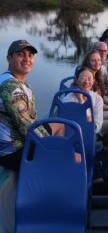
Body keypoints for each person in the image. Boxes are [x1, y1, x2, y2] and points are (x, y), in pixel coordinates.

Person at [0, 40, 63, 172]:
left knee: (56, 129)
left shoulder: (15, 81)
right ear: (9, 58)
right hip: (12, 154)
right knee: (59, 127)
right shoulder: (11, 87)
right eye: (21, 54)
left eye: (30, 55)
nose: (27, 59)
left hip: (14, 148)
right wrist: (55, 146)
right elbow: (28, 130)